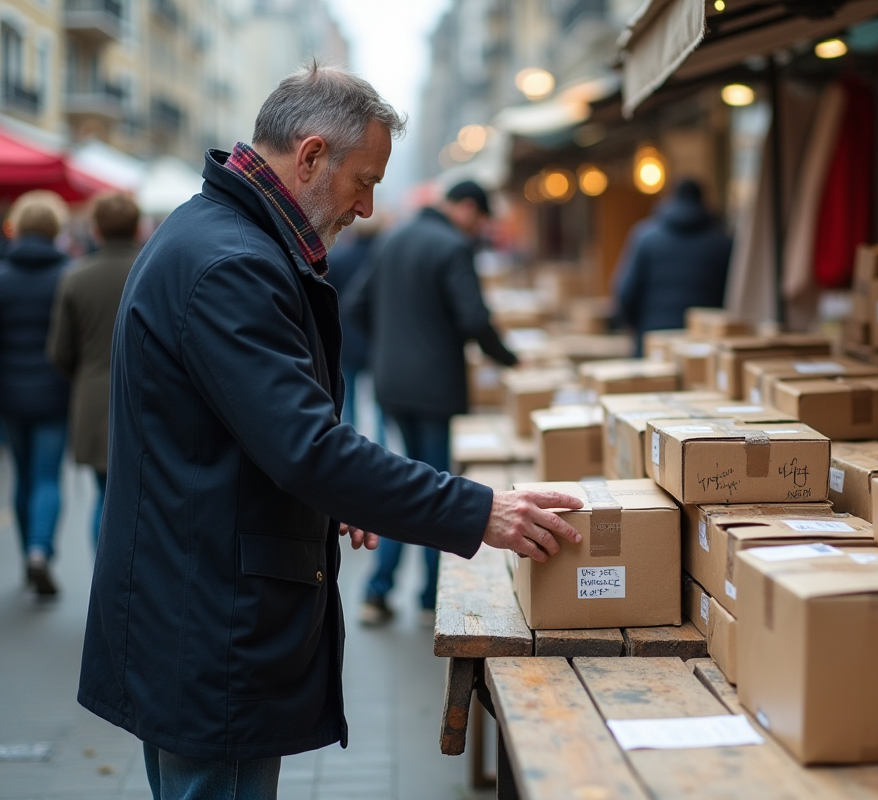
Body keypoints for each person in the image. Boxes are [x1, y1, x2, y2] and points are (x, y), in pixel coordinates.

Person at [77, 63, 581, 800]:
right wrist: (484, 512)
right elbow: (309, 448)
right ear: (310, 156)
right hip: (210, 620)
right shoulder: (233, 263)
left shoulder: (216, 234)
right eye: (362, 180)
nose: (369, 207)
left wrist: (333, 494)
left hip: (193, 599)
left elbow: (253, 431)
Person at [347, 180, 518, 626]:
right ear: (465, 208)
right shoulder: (453, 247)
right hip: (436, 388)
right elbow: (474, 318)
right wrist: (510, 360)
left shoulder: (392, 238)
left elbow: (356, 305)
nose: (478, 228)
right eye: (479, 219)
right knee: (437, 488)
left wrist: (391, 345)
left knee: (399, 482)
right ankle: (428, 598)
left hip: (390, 385)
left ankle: (378, 590)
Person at [47, 191, 142, 549]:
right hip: (146, 395)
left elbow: (59, 351)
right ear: (137, 228)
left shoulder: (75, 277)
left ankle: (104, 582)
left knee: (104, 496)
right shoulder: (154, 267)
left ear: (97, 231)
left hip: (93, 394)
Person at [0, 190, 71, 598]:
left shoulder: (3, 278)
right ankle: (39, 550)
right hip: (53, 392)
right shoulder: (68, 275)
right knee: (48, 476)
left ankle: (30, 551)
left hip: (10, 395)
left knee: (22, 476)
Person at [614, 178, 734, 355]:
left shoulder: (645, 237)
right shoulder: (722, 242)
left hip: (654, 341)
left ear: (670, 198)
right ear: (704, 201)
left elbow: (625, 292)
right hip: (703, 346)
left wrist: (636, 328)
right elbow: (732, 295)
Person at [323, 218, 382, 437]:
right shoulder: (381, 260)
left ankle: (351, 437)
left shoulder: (338, 259)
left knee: (348, 396)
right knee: (378, 400)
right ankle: (381, 441)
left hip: (346, 337)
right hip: (375, 336)